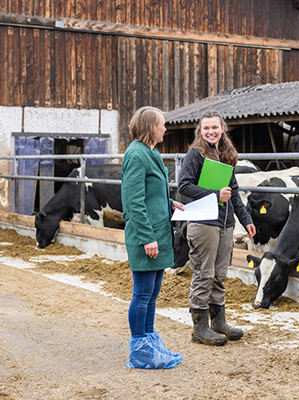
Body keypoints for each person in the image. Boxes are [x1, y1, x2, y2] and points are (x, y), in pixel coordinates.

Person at [178, 109, 256, 346]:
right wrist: (214, 194)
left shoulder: (226, 155)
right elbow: (184, 186)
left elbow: (233, 192)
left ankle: (218, 322)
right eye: (206, 128)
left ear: (222, 129)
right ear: (200, 131)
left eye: (215, 127)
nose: (211, 131)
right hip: (203, 223)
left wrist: (246, 219)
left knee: (220, 275)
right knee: (204, 273)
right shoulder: (194, 155)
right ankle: (200, 328)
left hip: (225, 224)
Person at [121, 106, 185, 369]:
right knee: (143, 293)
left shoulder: (151, 152)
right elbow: (133, 201)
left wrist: (169, 203)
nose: (165, 128)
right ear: (150, 127)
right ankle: (139, 349)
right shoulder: (136, 155)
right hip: (145, 235)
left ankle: (149, 342)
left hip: (158, 230)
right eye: (162, 124)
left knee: (153, 293)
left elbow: (149, 193)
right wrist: (147, 238)